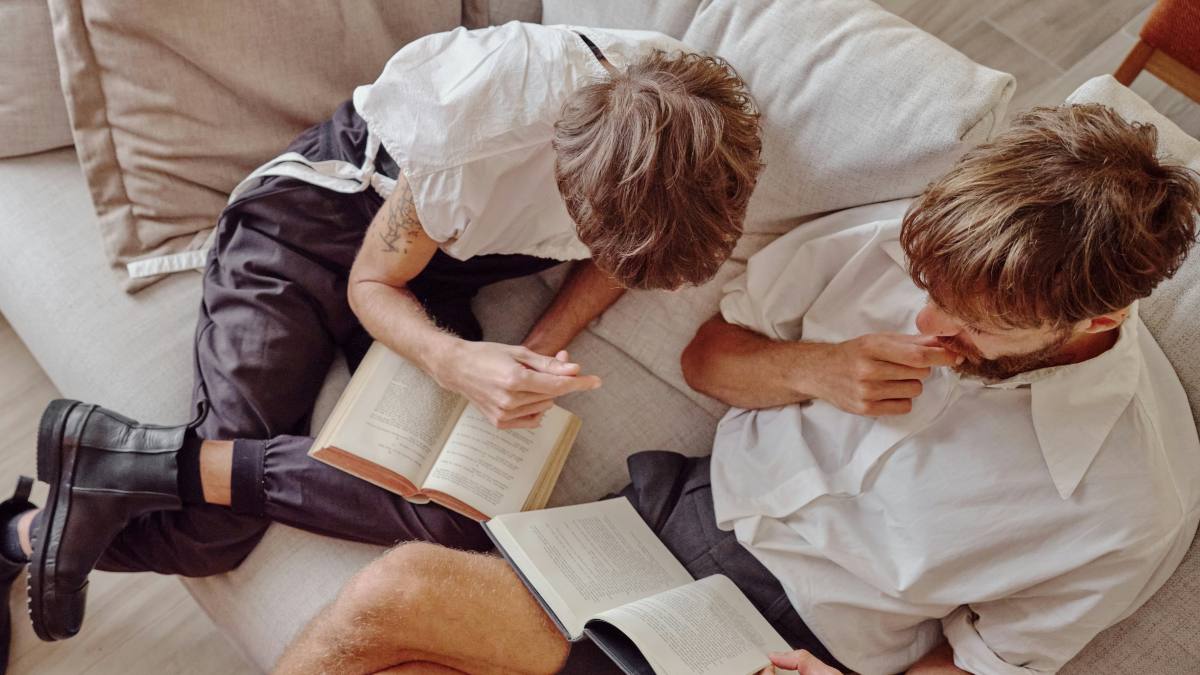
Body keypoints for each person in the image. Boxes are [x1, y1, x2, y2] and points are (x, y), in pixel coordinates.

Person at [270, 104, 1200, 674]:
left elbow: (989, 663)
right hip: (659, 523)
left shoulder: (1130, 500)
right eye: (929, 293)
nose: (926, 325)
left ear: (1094, 325)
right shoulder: (898, 245)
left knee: (393, 595)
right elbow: (707, 361)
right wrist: (813, 369)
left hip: (790, 646)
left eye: (972, 327)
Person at [0, 20, 764, 651]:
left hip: (436, 271)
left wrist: (538, 345)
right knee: (218, 530)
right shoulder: (476, 132)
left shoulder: (695, 140)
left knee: (460, 516)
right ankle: (16, 531)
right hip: (307, 235)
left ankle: (112, 463)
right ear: (573, 178)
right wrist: (458, 360)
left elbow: (623, 253)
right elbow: (372, 283)